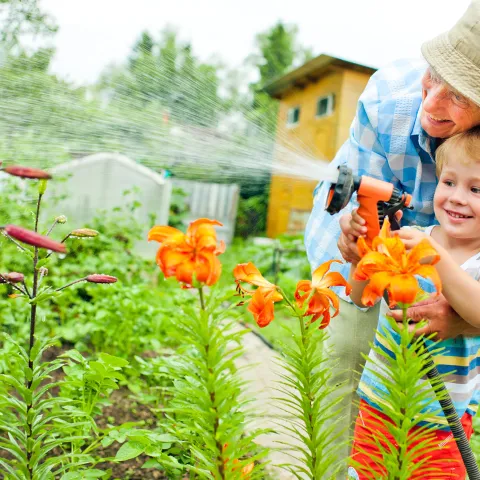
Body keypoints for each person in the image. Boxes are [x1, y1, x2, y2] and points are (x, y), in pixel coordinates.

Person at [303, 0, 480, 475]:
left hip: (463, 263)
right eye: (434, 75)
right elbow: (358, 219)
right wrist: (356, 239)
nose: (433, 102)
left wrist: (467, 318)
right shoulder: (391, 99)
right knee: (346, 358)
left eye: (460, 95)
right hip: (387, 250)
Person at [345, 127, 480, 479]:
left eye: (476, 189)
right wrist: (367, 248)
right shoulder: (412, 238)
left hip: (441, 422)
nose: (456, 198)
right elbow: (360, 296)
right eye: (448, 182)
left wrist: (435, 257)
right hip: (379, 405)